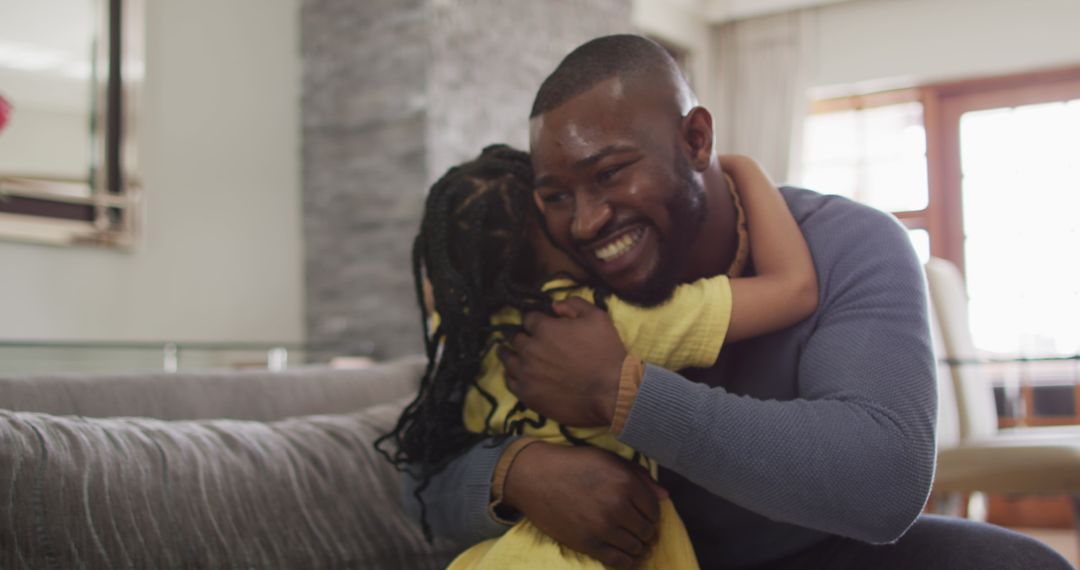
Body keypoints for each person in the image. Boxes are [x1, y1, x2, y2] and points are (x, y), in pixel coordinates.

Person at [407, 35, 1072, 569]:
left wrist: (621, 392)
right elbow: (421, 476)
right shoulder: (552, 281)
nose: (586, 222)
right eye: (556, 195)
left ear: (697, 139)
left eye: (611, 172)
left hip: (817, 550)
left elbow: (885, 480)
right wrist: (516, 473)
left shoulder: (849, 243)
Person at [381, 144, 819, 569]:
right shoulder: (610, 320)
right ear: (548, 218)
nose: (589, 218)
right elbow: (793, 289)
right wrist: (742, 166)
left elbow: (437, 300)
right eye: (560, 198)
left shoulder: (467, 338)